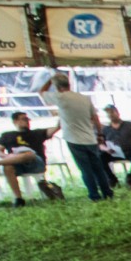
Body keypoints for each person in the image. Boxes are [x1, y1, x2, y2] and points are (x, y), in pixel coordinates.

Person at [39, 71, 111, 201]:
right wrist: (100, 134)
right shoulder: (84, 98)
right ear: (69, 84)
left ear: (57, 87)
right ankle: (107, 192)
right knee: (98, 168)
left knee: (86, 170)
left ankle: (94, 195)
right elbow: (95, 118)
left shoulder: (60, 98)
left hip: (74, 139)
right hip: (90, 138)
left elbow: (41, 92)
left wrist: (50, 79)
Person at [0, 111, 57, 205]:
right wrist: (7, 156)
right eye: (24, 119)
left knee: (29, 154)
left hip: (35, 163)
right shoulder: (7, 135)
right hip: (16, 163)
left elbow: (54, 129)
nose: (27, 121)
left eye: (28, 119)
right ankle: (18, 198)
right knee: (8, 166)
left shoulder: (37, 133)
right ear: (15, 121)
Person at [101, 106, 131, 186]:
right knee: (101, 157)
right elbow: (100, 143)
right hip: (114, 152)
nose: (110, 115)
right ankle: (112, 179)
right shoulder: (105, 129)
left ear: (117, 113)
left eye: (112, 112)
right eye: (108, 113)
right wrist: (106, 149)